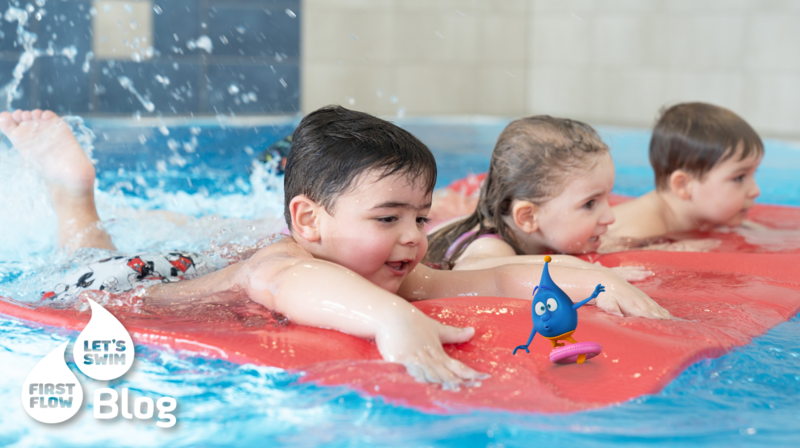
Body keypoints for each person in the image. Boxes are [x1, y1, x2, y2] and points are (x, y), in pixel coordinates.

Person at [0, 107, 668, 390]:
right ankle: (73, 193)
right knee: (86, 253)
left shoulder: (389, 267)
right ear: (308, 220)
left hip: (196, 263)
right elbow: (292, 289)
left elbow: (487, 281)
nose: (412, 236)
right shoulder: (287, 263)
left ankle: (77, 199)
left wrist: (572, 276)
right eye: (387, 217)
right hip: (114, 292)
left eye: (420, 215)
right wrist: (390, 320)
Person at [424, 115, 664, 289]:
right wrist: (580, 269)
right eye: (590, 204)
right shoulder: (493, 247)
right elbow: (468, 271)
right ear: (529, 217)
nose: (610, 217)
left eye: (607, 198)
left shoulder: (537, 231)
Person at [601, 102, 764, 251]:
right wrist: (671, 248)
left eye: (753, 174)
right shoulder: (639, 230)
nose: (755, 191)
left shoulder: (707, 214)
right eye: (739, 178)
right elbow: (600, 255)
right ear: (683, 185)